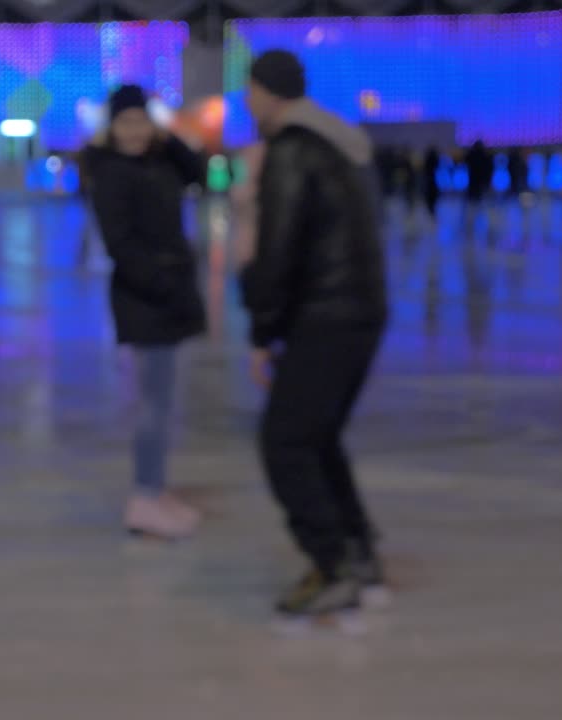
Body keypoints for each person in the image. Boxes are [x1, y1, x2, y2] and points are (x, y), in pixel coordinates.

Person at [241, 50, 389, 628]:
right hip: (358, 311)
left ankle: (333, 564)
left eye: (250, 91)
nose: (247, 102)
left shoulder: (291, 151)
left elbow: (278, 250)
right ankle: (356, 548)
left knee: (285, 442)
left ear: (267, 93)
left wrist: (262, 330)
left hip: (327, 314)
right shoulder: (334, 146)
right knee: (317, 436)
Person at [84, 84, 206, 540]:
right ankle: (144, 495)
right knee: (154, 405)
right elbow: (120, 245)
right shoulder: (111, 172)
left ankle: (155, 490)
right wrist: (160, 284)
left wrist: (168, 134)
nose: (134, 131)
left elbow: (198, 172)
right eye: (125, 122)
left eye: (140, 120)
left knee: (164, 399)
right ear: (111, 128)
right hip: (147, 299)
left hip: (167, 294)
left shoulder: (159, 162)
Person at [422, 146, 442, 222]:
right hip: (434, 181)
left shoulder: (428, 159)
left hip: (429, 181)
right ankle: (432, 209)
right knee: (433, 196)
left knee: (430, 196)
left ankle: (430, 209)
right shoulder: (436, 159)